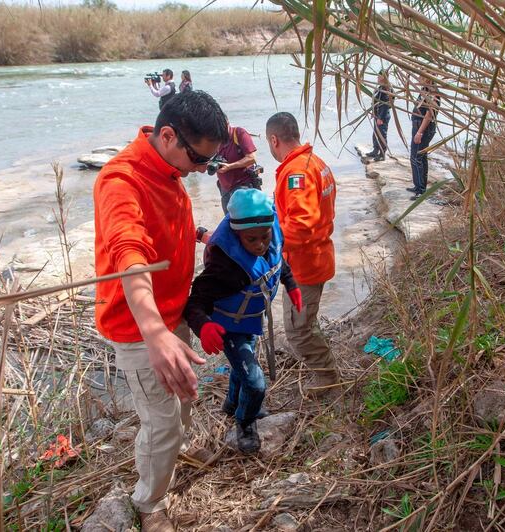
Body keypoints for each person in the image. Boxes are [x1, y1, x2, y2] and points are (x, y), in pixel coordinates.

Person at [94, 90, 229, 532]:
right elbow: (130, 254)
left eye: (210, 162)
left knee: (185, 398)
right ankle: (149, 502)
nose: (202, 170)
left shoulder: (169, 166)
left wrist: (204, 235)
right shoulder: (121, 182)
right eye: (198, 160)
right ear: (167, 135)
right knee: (162, 423)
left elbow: (167, 225)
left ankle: (175, 455)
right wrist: (154, 332)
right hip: (139, 327)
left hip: (173, 315)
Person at [184, 189, 302, 454]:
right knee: (255, 382)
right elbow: (195, 300)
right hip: (227, 327)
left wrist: (291, 284)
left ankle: (231, 403)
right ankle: (245, 423)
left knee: (241, 368)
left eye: (265, 236)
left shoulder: (268, 237)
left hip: (249, 321)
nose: (260, 244)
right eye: (252, 240)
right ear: (237, 235)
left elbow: (276, 262)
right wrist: (204, 326)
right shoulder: (226, 266)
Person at [265, 112, 338, 397]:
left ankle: (327, 376)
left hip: (306, 265)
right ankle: (324, 368)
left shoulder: (297, 173)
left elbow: (301, 224)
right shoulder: (314, 162)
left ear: (274, 140)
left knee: (298, 331)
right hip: (315, 257)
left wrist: (267, 244)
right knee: (305, 321)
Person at [213, 124, 260, 214]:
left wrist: (230, 166)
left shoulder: (239, 133)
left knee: (246, 221)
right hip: (225, 189)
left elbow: (252, 158)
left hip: (243, 186)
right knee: (230, 221)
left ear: (226, 123)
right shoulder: (215, 138)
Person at [408, 75, 441, 199]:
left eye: (421, 75)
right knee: (416, 156)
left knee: (418, 157)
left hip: (424, 129)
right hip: (417, 126)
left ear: (428, 78)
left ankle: (421, 190)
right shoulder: (424, 90)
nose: (418, 77)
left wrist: (420, 132)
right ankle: (418, 185)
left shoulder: (434, 94)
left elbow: (429, 115)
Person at [366, 71, 391, 161]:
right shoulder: (380, 87)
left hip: (382, 116)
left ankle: (382, 153)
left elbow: (386, 105)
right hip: (377, 114)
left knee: (382, 134)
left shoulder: (387, 89)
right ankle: (375, 150)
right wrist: (373, 112)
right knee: (375, 133)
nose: (377, 78)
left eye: (379, 76)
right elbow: (376, 101)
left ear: (383, 77)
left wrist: (381, 118)